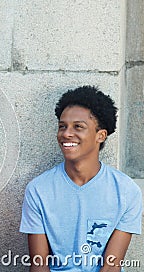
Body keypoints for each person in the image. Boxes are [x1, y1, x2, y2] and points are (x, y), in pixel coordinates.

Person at [19, 86, 142, 271]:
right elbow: (38, 267)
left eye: (78, 127)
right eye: (62, 126)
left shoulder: (126, 191)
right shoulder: (38, 190)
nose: (66, 134)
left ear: (101, 135)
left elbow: (111, 267)